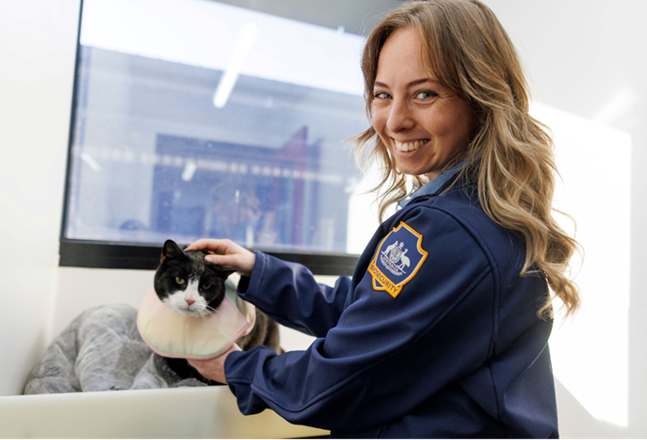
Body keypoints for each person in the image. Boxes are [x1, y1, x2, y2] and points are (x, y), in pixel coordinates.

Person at [184, 0, 581, 437]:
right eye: (383, 94)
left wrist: (235, 367)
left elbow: (337, 383)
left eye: (425, 93)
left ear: (481, 98)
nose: (394, 121)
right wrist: (259, 270)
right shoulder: (471, 212)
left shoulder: (450, 231)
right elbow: (367, 314)